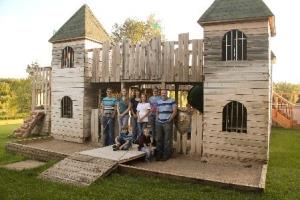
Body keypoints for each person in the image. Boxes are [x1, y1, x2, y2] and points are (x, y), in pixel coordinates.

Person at [156, 89, 177, 161]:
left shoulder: (172, 100)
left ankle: (166, 155)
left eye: (164, 93)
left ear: (167, 93)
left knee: (167, 139)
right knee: (159, 139)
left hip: (167, 122)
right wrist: (157, 118)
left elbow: (175, 111)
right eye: (162, 93)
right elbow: (157, 111)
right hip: (159, 122)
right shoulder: (158, 101)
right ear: (160, 94)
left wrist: (169, 119)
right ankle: (159, 154)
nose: (163, 94)